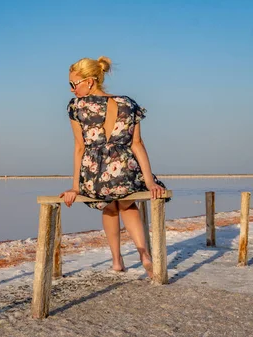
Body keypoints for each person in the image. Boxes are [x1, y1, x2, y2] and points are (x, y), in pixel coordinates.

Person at [59, 56, 170, 279]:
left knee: (109, 207)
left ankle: (117, 261)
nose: (72, 90)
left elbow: (80, 147)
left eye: (74, 84)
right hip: (125, 172)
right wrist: (149, 181)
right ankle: (144, 253)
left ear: (90, 81)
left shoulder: (77, 106)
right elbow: (137, 144)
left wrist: (75, 187)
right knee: (127, 204)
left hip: (96, 176)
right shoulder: (128, 103)